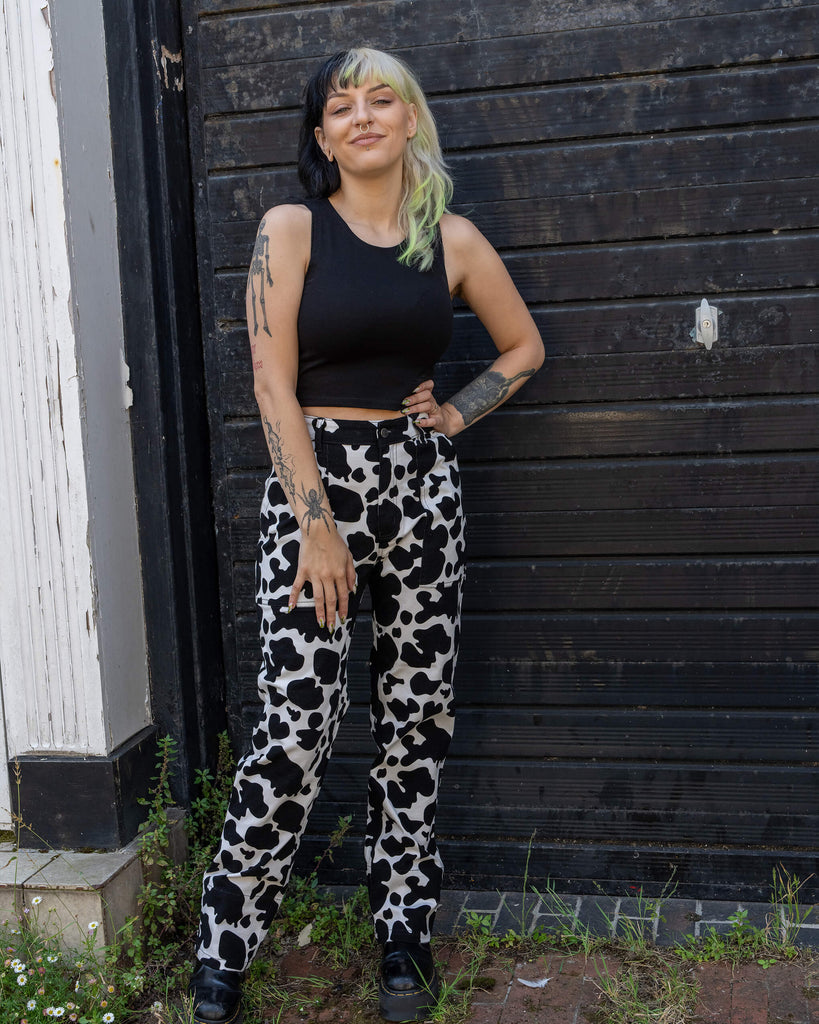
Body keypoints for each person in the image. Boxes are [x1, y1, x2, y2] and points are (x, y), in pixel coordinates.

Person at [188, 46, 544, 1024]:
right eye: (341, 107)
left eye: (380, 99)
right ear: (323, 136)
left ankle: (403, 932)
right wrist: (316, 526)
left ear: (410, 118)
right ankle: (225, 943)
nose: (362, 116)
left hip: (423, 490)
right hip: (318, 487)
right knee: (294, 730)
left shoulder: (454, 240)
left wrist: (458, 411)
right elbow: (270, 382)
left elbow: (523, 347)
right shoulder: (291, 227)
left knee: (414, 721)